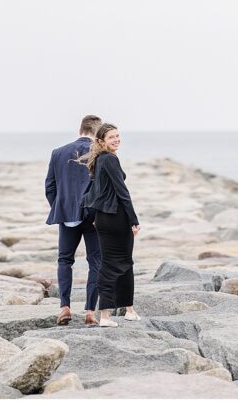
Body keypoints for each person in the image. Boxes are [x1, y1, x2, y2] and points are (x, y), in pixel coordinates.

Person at [45, 115, 103, 326]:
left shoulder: (58, 152)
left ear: (81, 129)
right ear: (98, 132)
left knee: (64, 260)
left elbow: (50, 187)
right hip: (94, 217)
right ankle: (89, 311)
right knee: (95, 262)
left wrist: (60, 207)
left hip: (67, 215)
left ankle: (65, 307)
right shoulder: (101, 152)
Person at [81, 123, 141, 327]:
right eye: (111, 137)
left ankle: (129, 309)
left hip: (104, 218)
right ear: (101, 142)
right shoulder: (109, 159)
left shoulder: (99, 159)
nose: (116, 139)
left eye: (117, 136)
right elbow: (122, 192)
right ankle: (105, 316)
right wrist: (134, 219)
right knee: (113, 265)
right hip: (116, 218)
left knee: (121, 263)